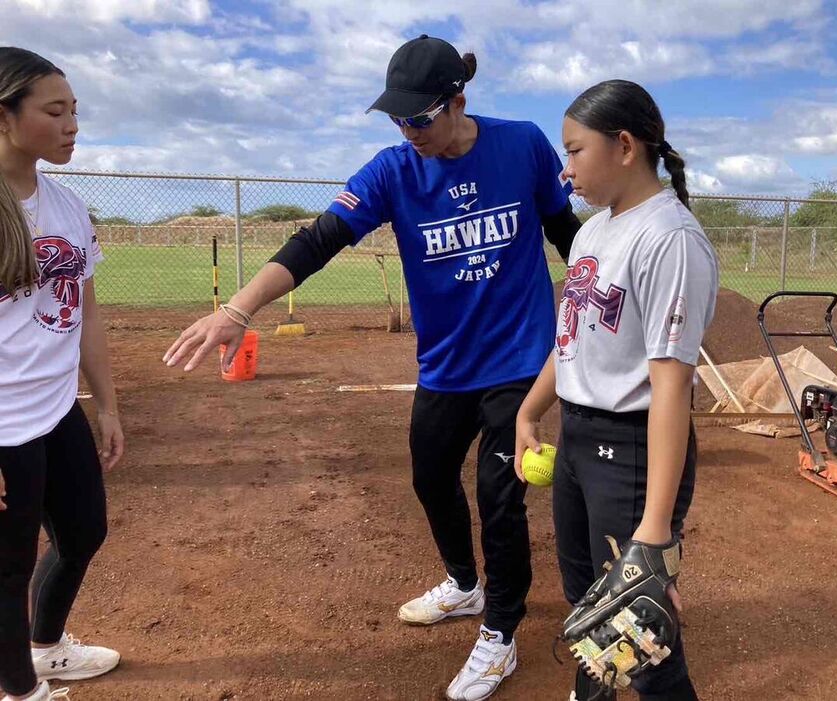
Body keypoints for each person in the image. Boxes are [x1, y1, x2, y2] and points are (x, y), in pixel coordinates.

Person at [163, 35, 581, 700]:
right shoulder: (392, 171)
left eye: (419, 118)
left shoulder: (523, 144)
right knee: (429, 478)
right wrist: (239, 310)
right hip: (445, 367)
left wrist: (610, 300)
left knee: (500, 501)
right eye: (397, 118)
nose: (407, 130)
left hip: (520, 362)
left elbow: (568, 235)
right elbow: (318, 240)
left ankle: (501, 632)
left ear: (457, 103)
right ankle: (466, 586)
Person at [514, 79, 718, 701]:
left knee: (640, 630)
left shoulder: (670, 240)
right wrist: (530, 412)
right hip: (577, 442)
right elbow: (571, 340)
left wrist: (655, 531)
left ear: (624, 145)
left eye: (574, 151)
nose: (565, 168)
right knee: (588, 606)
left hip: (628, 454)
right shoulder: (593, 232)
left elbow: (672, 389)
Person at [0, 48, 125, 701]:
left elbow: (88, 317)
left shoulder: (68, 205)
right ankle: (19, 690)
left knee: (82, 532)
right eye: (55, 111)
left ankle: (45, 648)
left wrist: (106, 405)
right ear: (6, 117)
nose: (72, 124)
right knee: (7, 564)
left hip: (55, 408)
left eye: (74, 110)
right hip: (2, 423)